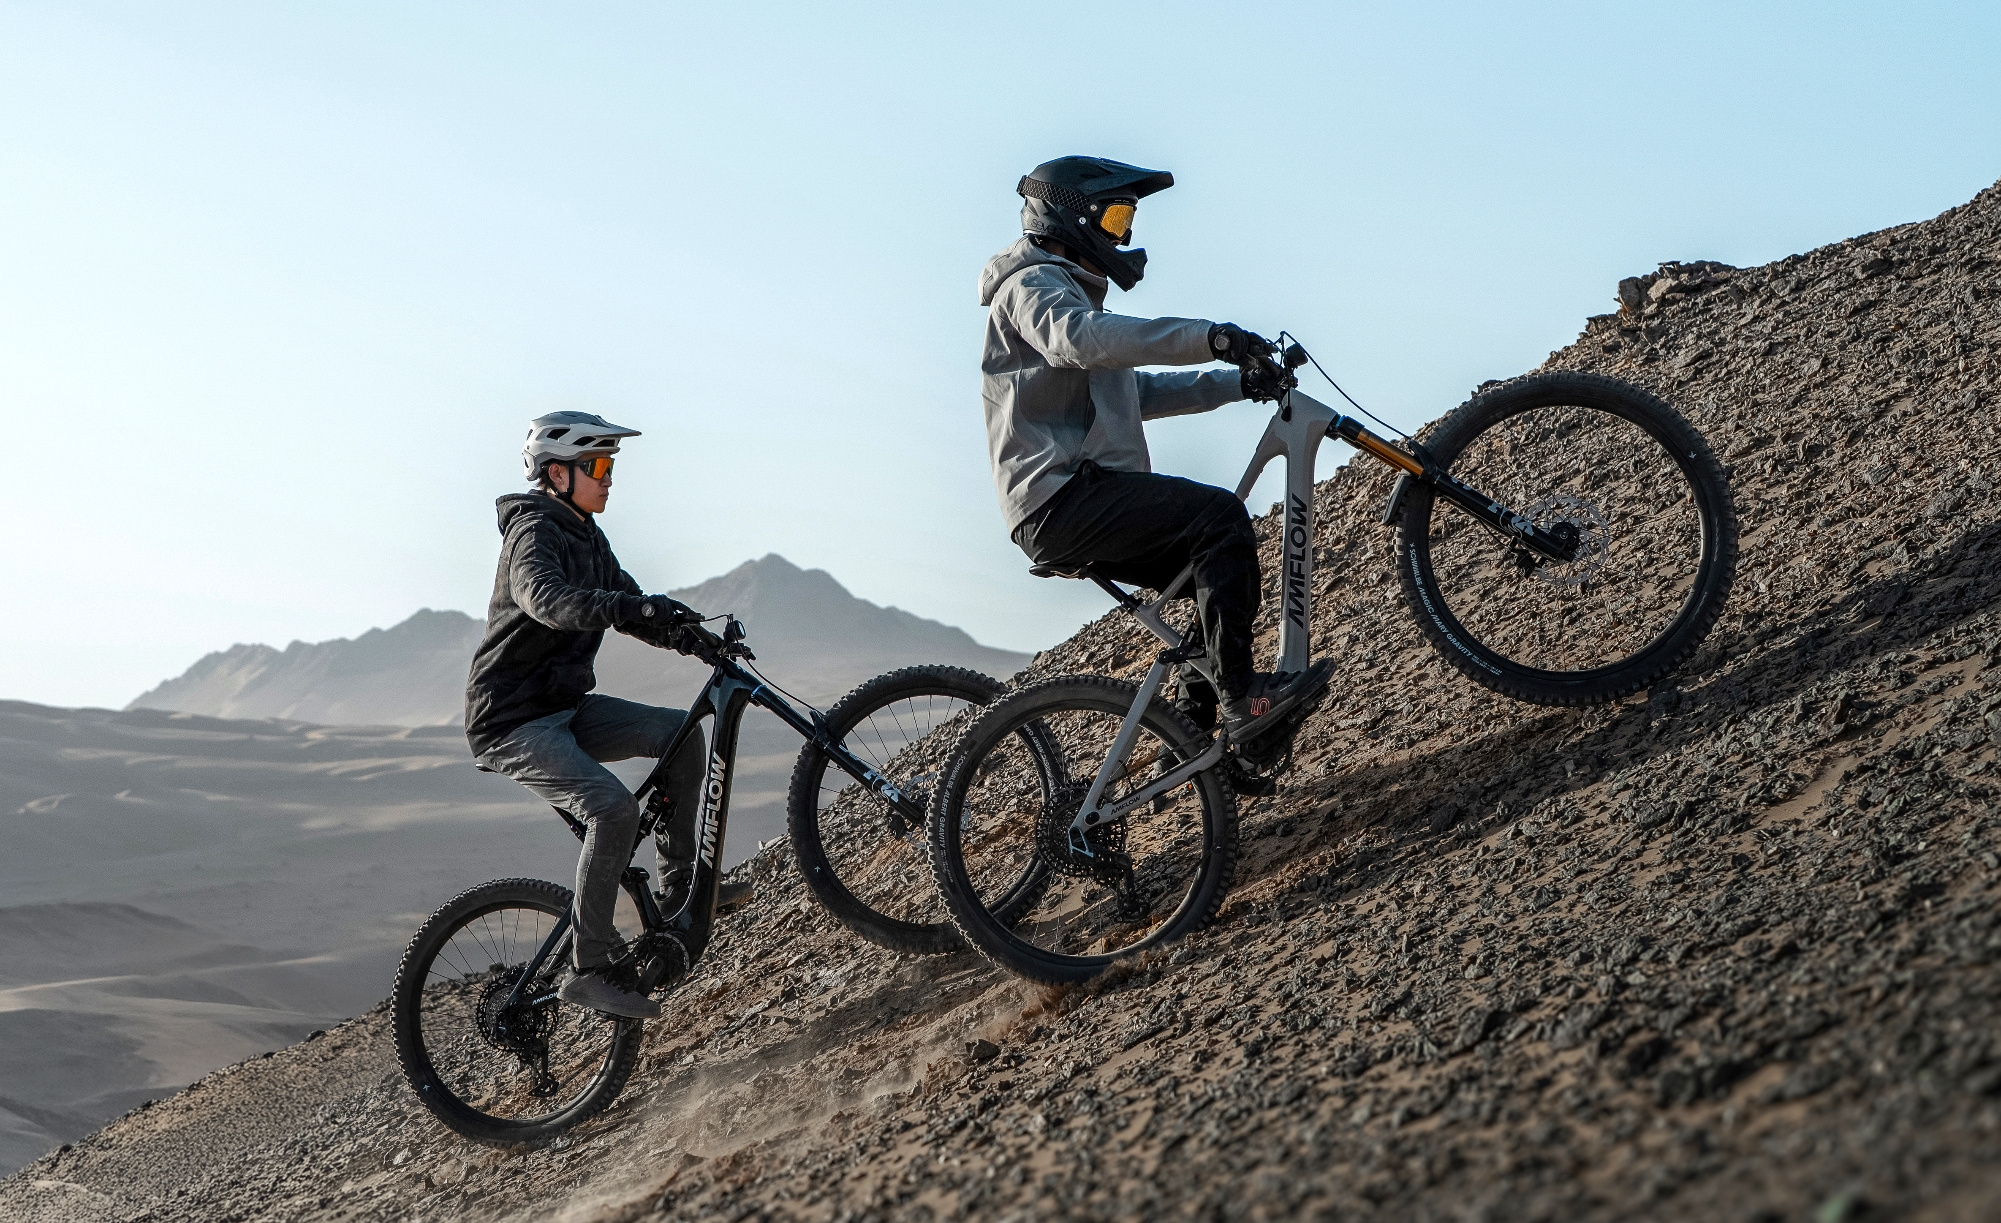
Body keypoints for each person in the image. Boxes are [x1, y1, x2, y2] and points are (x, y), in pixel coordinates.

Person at [979, 156, 1332, 742]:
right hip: (1060, 498)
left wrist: (1235, 382)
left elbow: (1132, 393)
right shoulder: (1031, 287)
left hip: (1069, 497)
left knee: (1208, 571)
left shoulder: (1069, 294)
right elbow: (1081, 342)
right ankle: (1244, 702)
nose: (1124, 235)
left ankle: (1191, 734)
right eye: (1115, 218)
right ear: (1072, 218)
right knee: (1218, 519)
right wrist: (1206, 336)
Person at [463, 411, 752, 1020]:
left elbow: (628, 601)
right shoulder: (533, 531)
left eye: (610, 466)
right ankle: (589, 965)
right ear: (556, 474)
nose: (608, 478)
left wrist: (689, 635)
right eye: (597, 467)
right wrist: (628, 608)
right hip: (513, 723)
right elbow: (546, 601)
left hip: (565, 708)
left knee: (680, 737)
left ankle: (681, 886)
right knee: (612, 808)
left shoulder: (588, 535)